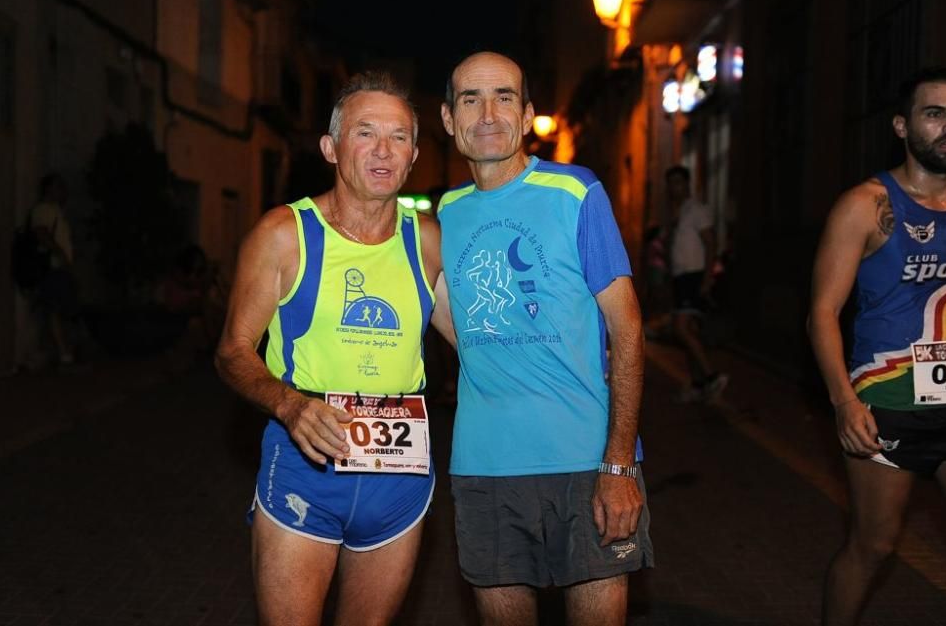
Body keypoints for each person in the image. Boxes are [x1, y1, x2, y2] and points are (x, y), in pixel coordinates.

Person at [215, 72, 453, 626]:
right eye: (365, 133)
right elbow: (232, 351)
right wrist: (291, 405)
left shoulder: (429, 241)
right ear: (330, 147)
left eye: (398, 137)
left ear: (415, 155)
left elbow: (480, 346)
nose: (382, 150)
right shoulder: (283, 234)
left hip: (400, 475)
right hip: (305, 466)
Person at [437, 51, 652, 626]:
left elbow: (627, 330)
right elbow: (446, 317)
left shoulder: (575, 192)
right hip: (483, 467)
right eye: (470, 99)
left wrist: (618, 466)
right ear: (447, 119)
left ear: (527, 114)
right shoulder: (444, 213)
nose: (487, 113)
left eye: (504, 97)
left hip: (586, 465)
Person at [808, 67, 946, 626]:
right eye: (935, 113)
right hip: (888, 403)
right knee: (874, 547)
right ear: (902, 126)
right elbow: (823, 312)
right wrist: (844, 402)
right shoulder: (865, 205)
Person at [666, 165, 728, 402]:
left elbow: (710, 243)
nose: (675, 187)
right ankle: (698, 383)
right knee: (689, 332)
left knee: (681, 329)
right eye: (671, 183)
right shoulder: (676, 213)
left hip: (694, 275)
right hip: (681, 277)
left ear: (687, 184)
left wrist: (707, 278)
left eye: (679, 182)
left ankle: (712, 377)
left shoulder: (697, 210)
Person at [30, 173, 79, 365]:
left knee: (63, 308)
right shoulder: (43, 210)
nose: (61, 191)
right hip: (52, 267)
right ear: (49, 188)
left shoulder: (56, 210)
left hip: (60, 266)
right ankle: (63, 352)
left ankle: (63, 350)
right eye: (58, 187)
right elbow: (41, 233)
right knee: (54, 309)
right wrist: (60, 253)